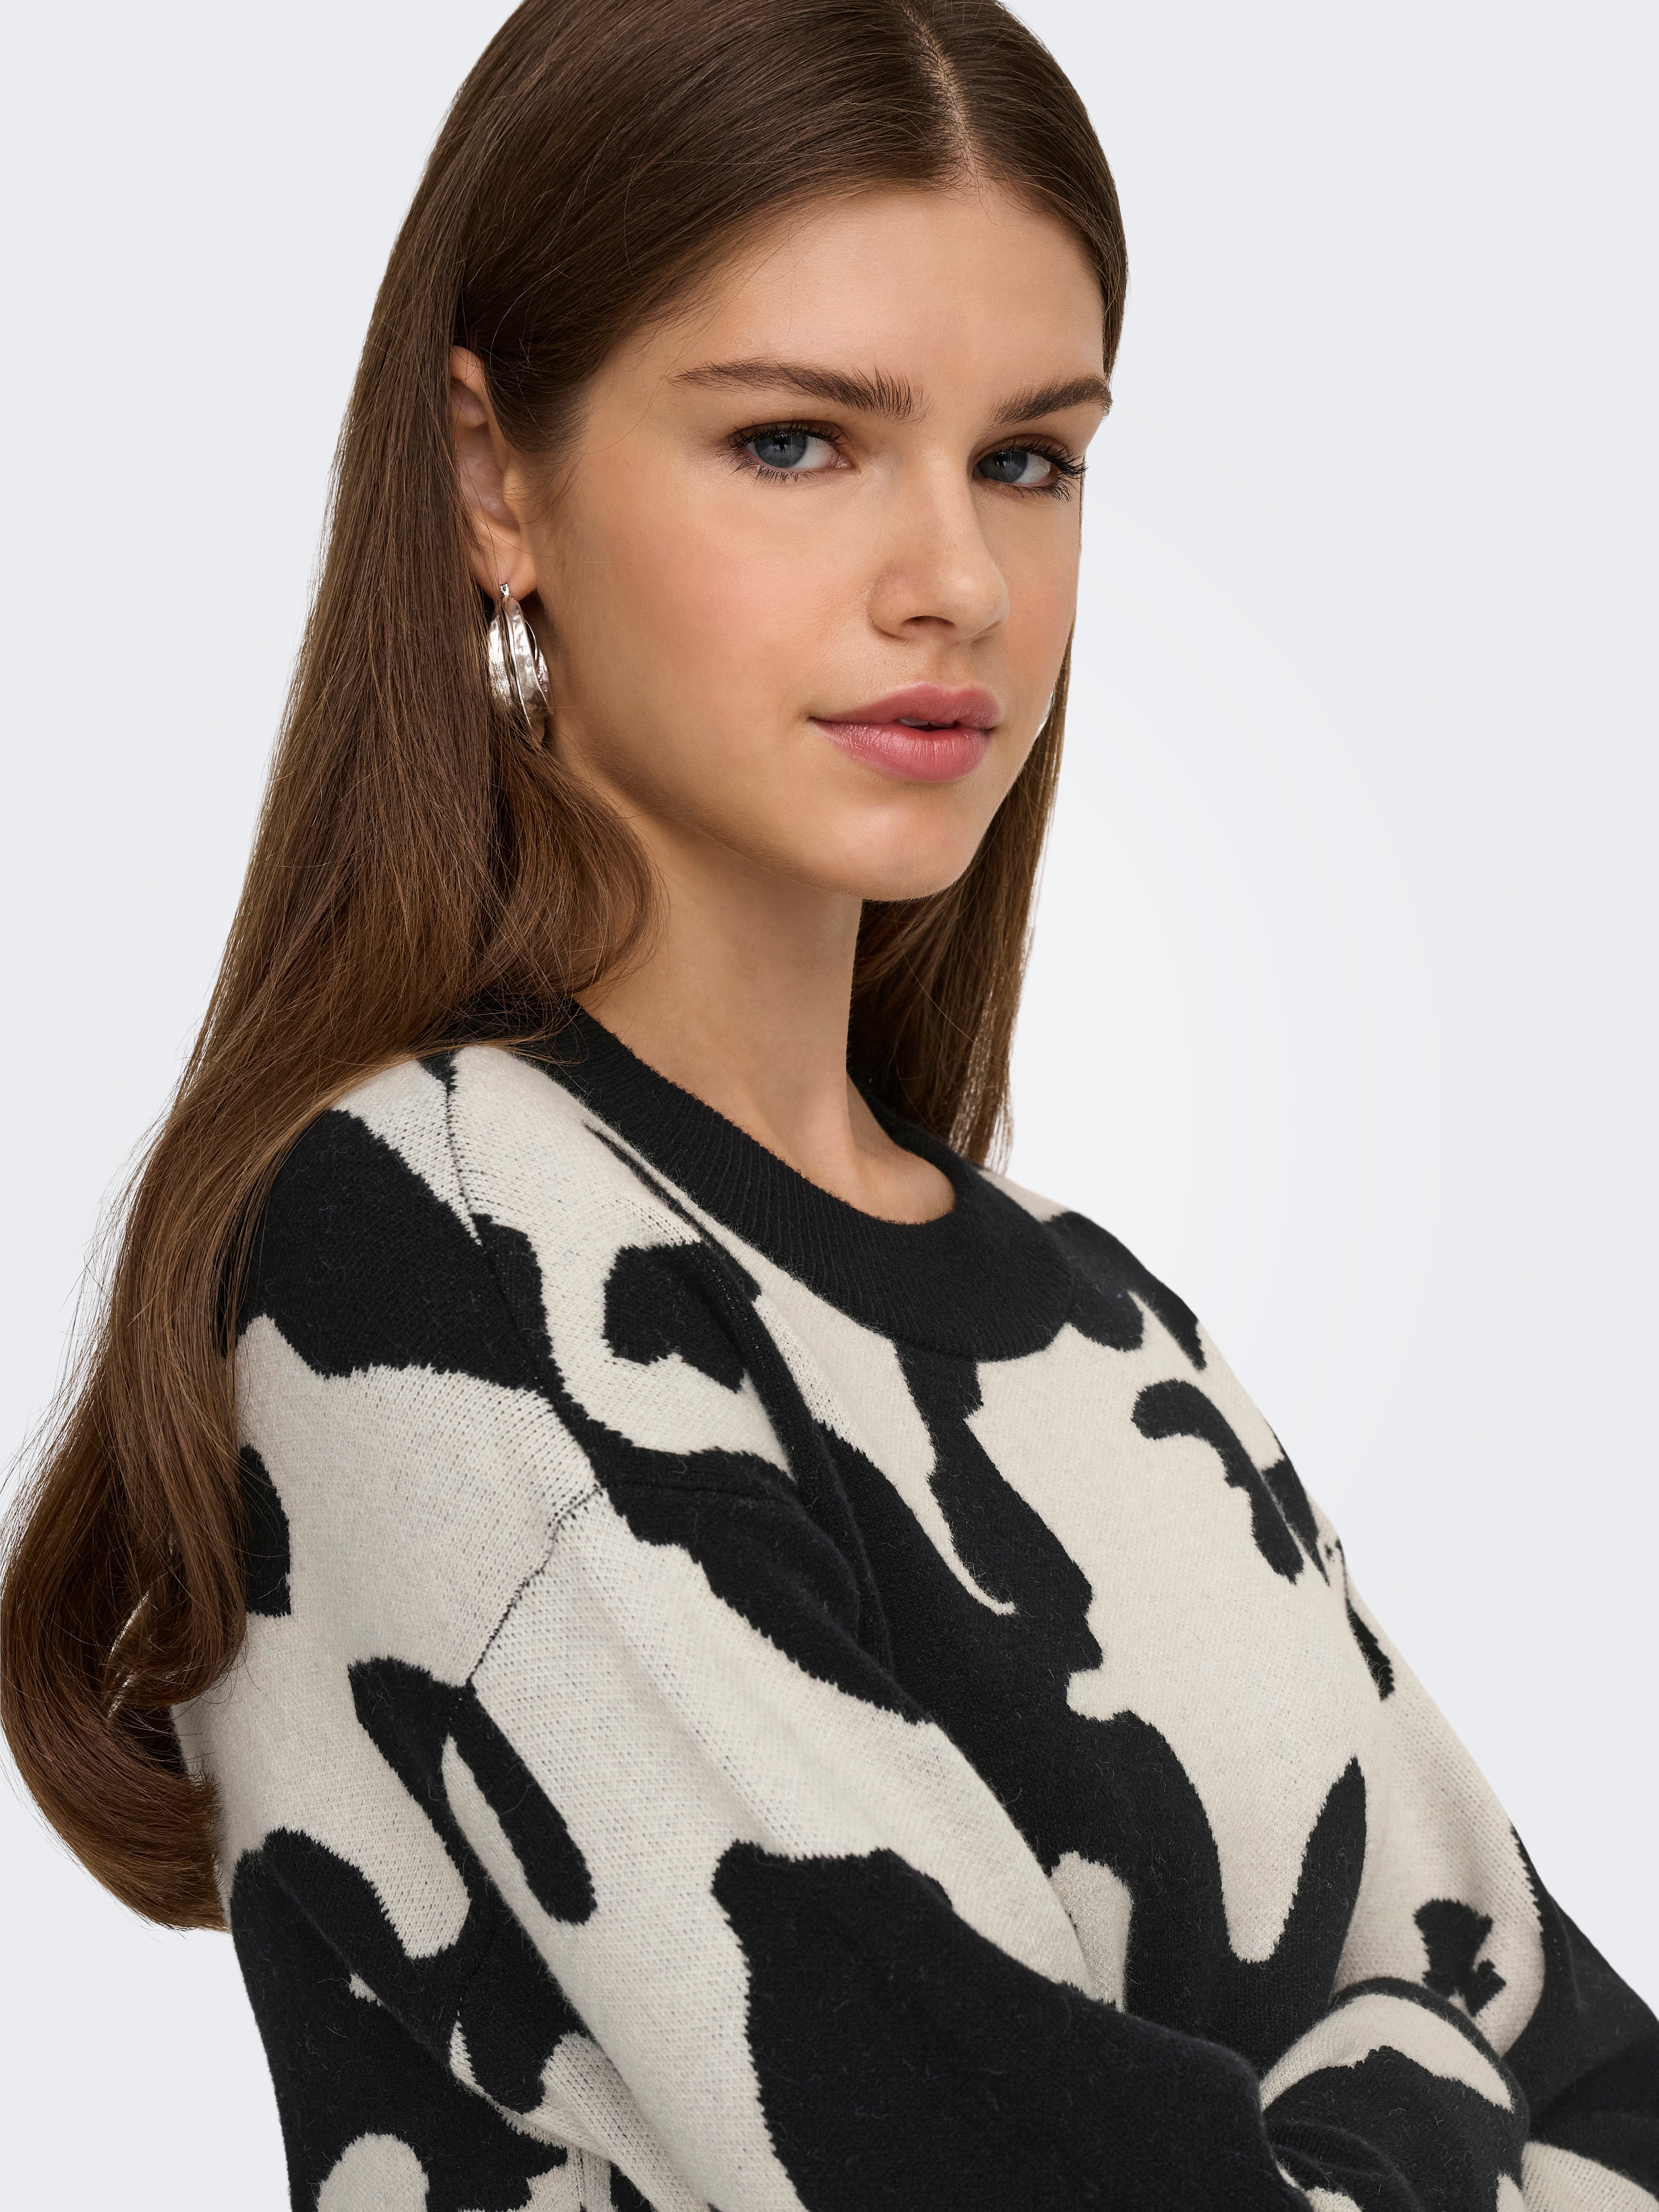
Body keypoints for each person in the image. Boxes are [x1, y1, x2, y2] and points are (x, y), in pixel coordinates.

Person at [3, 2, 1655, 2207]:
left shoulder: (1103, 1325)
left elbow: (1611, 2080)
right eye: (795, 441)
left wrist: (1342, 2112)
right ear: (494, 479)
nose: (955, 583)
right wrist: (1408, 2071)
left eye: (1029, 459)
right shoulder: (437, 1246)